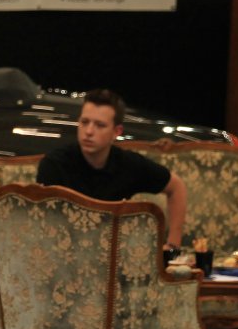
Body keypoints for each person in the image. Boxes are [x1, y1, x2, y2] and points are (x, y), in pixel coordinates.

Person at [36, 88, 187, 254]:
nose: (89, 131)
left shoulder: (128, 164)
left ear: (116, 132)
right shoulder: (55, 164)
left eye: (100, 125)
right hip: (64, 256)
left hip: (113, 255)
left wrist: (172, 246)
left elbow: (176, 187)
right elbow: (42, 225)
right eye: (84, 122)